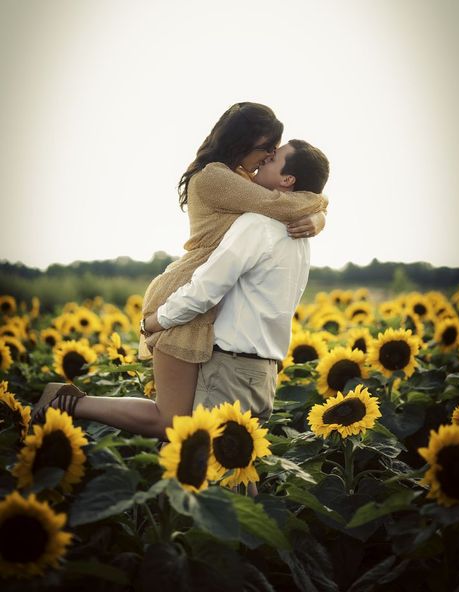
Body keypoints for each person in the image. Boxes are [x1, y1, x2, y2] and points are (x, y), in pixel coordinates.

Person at [32, 103, 327, 439]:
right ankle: (68, 401)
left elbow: (287, 197)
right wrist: (319, 211)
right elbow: (281, 203)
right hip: (186, 291)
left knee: (181, 422)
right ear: (242, 142)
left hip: (205, 300)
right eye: (266, 148)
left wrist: (315, 217)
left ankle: (70, 403)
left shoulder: (243, 178)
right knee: (171, 421)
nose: (268, 155)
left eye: (275, 151)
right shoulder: (216, 177)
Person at [144, 140, 330, 422]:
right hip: (265, 373)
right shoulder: (300, 235)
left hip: (230, 369)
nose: (266, 157)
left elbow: (205, 289)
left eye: (274, 159)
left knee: (206, 462)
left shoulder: (257, 225)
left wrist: (157, 320)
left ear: (287, 179)